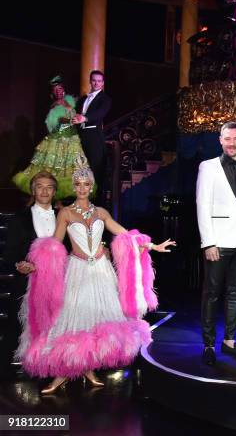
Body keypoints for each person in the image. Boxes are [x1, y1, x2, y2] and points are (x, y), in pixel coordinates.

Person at [16, 159, 174, 394]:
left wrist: (152, 246)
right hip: (78, 270)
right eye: (78, 184)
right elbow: (54, 244)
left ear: (91, 187)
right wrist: (34, 263)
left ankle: (88, 367)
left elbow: (125, 233)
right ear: (74, 186)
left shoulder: (101, 212)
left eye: (86, 184)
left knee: (97, 320)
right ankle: (63, 373)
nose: (81, 188)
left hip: (101, 271)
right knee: (71, 319)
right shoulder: (66, 213)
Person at [196, 122, 236, 366]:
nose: (231, 143)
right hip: (218, 241)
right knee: (212, 294)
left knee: (235, 292)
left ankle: (230, 341)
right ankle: (209, 344)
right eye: (227, 138)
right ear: (220, 140)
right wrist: (208, 242)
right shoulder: (208, 167)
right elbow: (202, 205)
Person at [2, 172, 59, 376]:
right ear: (33, 191)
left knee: (54, 325)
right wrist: (20, 264)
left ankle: (49, 369)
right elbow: (10, 252)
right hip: (26, 280)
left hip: (56, 281)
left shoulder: (64, 218)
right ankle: (4, 369)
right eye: (39, 186)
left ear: (54, 191)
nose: (44, 191)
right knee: (16, 324)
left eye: (49, 187)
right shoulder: (20, 218)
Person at [13, 76, 93, 200]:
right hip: (58, 139)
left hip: (72, 139)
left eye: (60, 89)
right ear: (52, 93)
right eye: (55, 90)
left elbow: (80, 111)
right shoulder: (53, 105)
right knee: (54, 166)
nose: (58, 92)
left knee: (73, 166)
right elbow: (51, 124)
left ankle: (69, 199)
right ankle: (51, 196)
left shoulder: (71, 100)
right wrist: (65, 120)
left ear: (63, 89)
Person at [73, 70, 112, 203]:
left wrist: (84, 118)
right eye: (94, 80)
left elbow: (99, 113)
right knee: (81, 169)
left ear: (103, 83)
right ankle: (82, 200)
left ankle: (96, 202)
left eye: (99, 81)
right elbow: (76, 113)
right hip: (81, 136)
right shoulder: (84, 99)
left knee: (96, 169)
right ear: (90, 81)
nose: (96, 83)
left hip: (94, 136)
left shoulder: (105, 99)